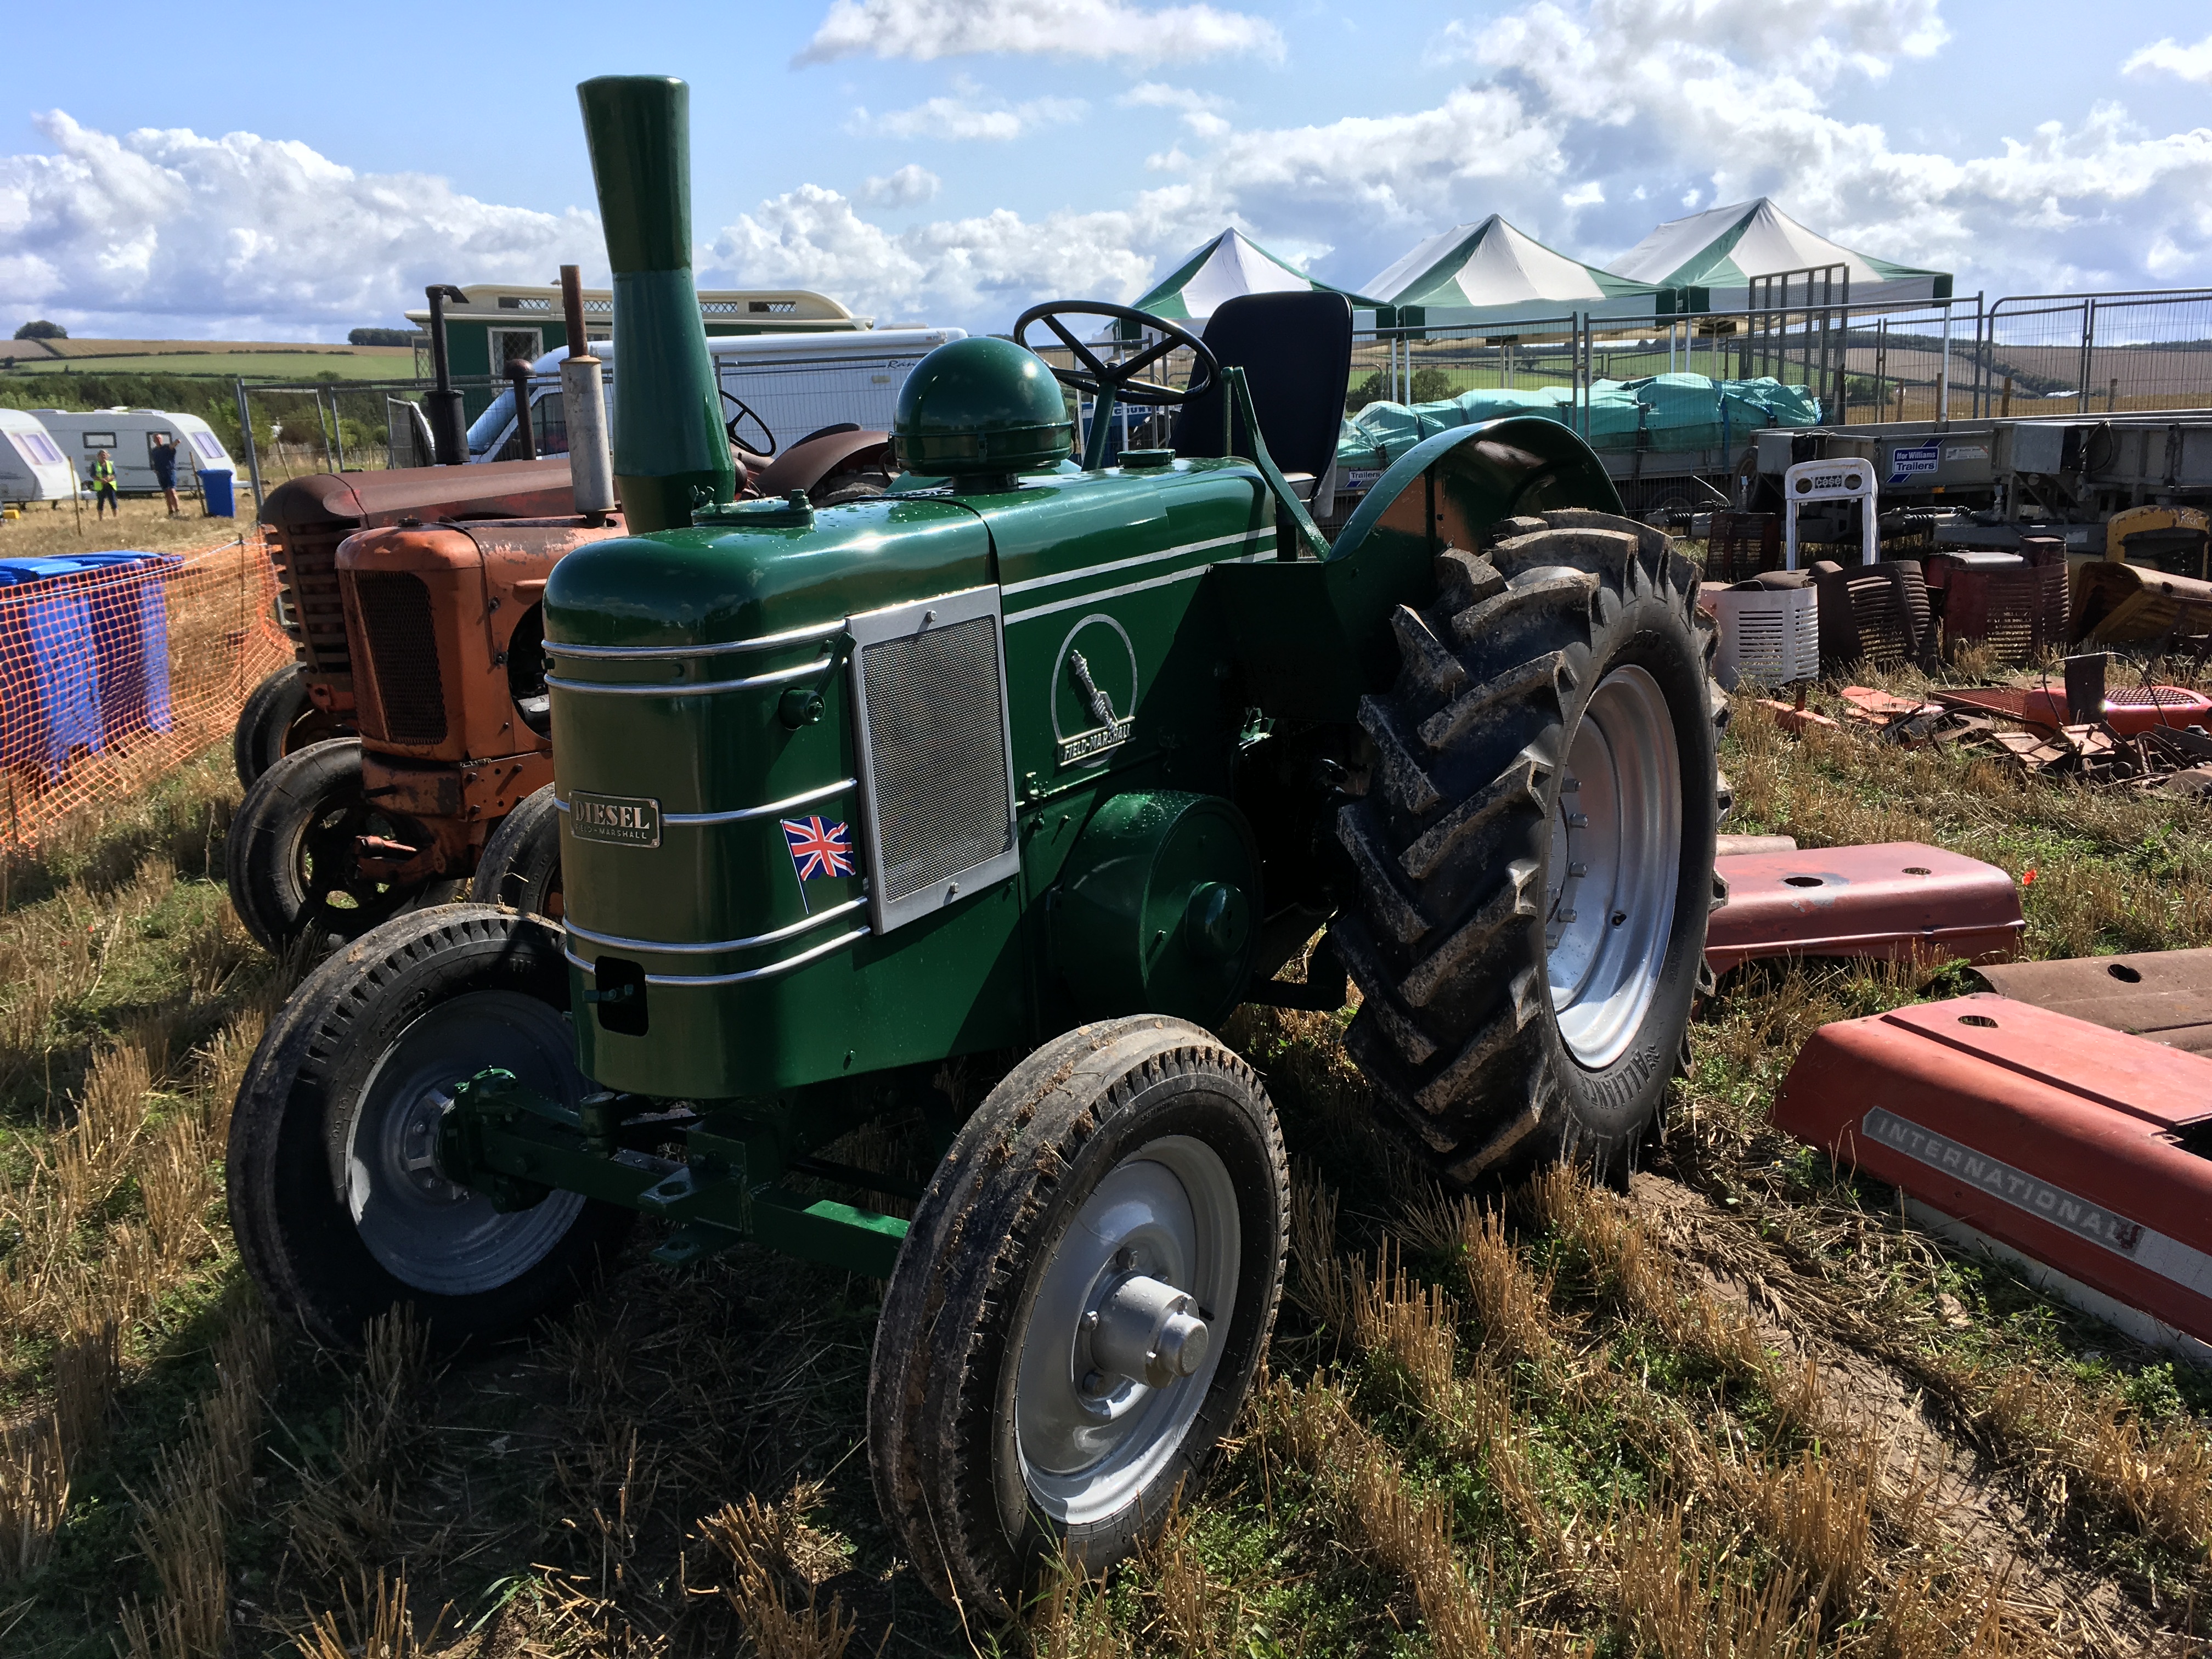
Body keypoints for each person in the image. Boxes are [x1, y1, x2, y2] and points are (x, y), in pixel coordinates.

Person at [150, 432, 182, 517]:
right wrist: (155, 470)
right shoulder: (154, 451)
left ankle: (177, 510)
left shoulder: (167, 448)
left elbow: (173, 446)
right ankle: (170, 511)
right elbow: (154, 462)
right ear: (154, 440)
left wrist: (176, 442)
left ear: (162, 439)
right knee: (166, 493)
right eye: (156, 438)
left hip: (170, 471)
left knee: (172, 491)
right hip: (161, 473)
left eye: (159, 438)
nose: (158, 440)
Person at [88, 449, 118, 520]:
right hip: (100, 486)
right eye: (101, 455)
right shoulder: (94, 465)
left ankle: (116, 517)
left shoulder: (110, 464)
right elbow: (93, 475)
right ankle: (100, 518)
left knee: (113, 501)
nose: (103, 457)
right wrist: (101, 480)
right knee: (101, 502)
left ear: (107, 456)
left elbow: (115, 474)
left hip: (110, 485)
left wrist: (108, 479)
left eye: (104, 455)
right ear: (98, 456)